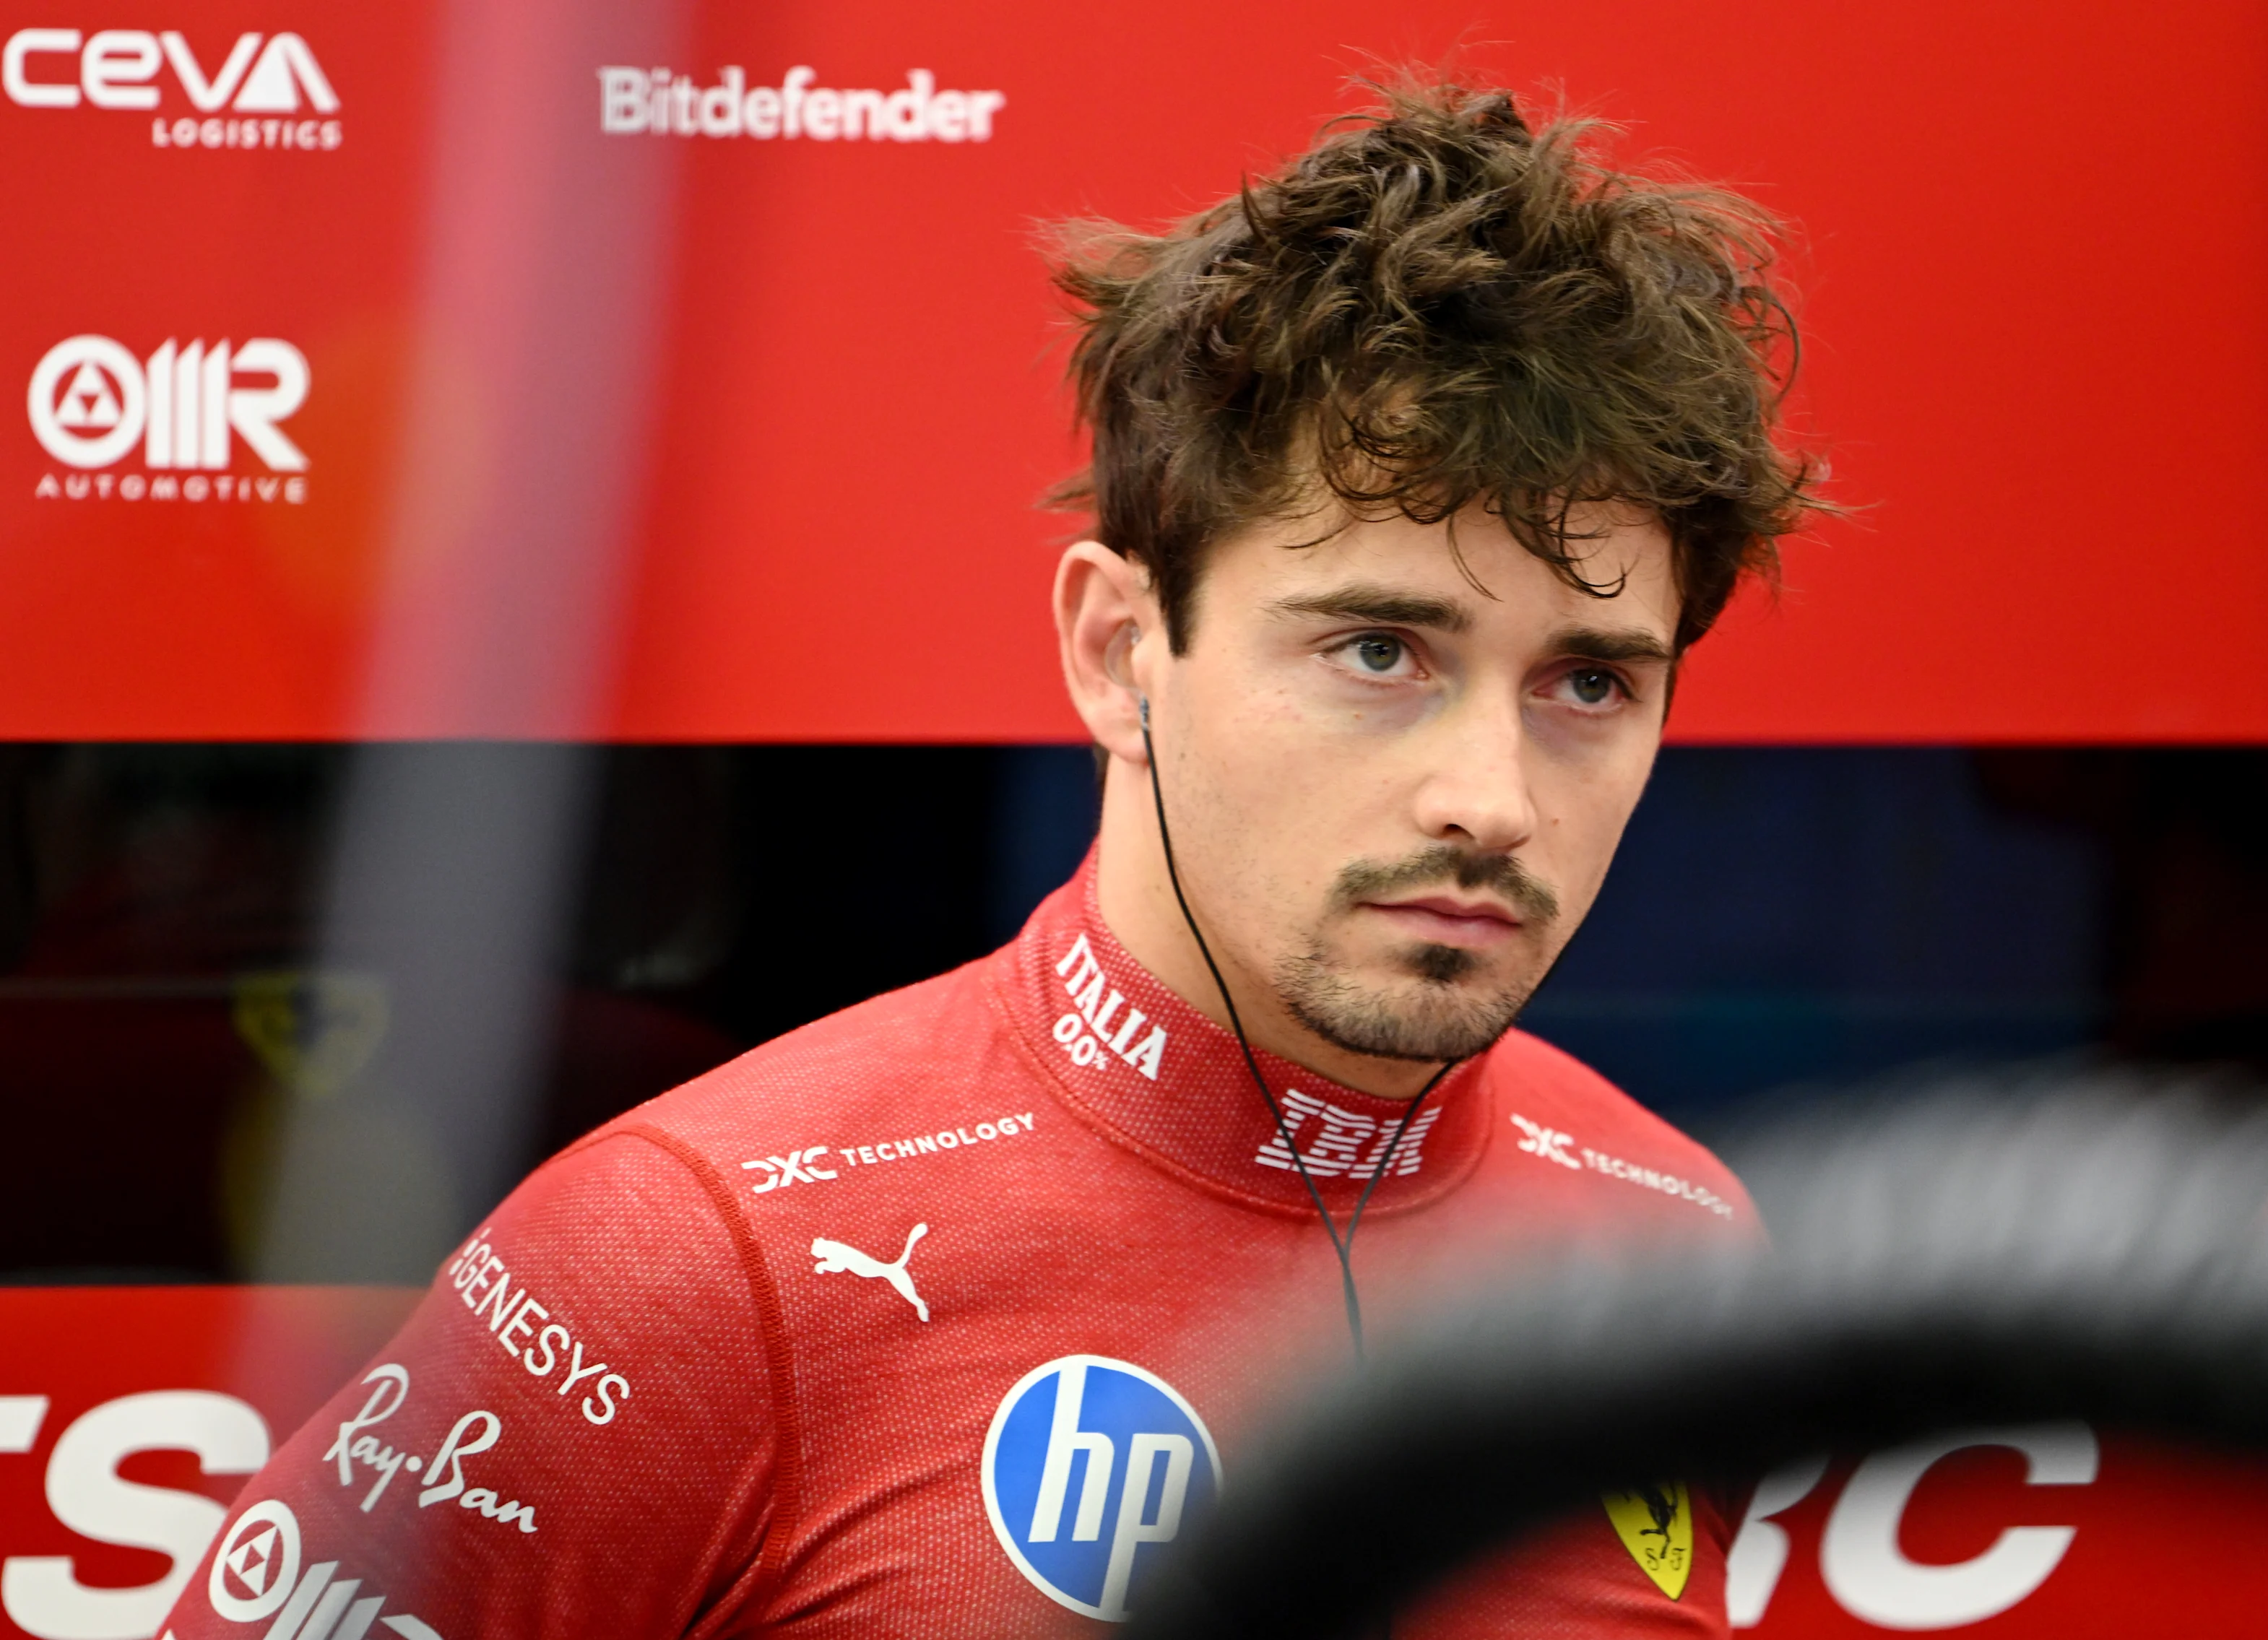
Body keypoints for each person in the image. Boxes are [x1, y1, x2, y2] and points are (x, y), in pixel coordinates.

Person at [166, 75, 1822, 1640]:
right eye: (1379, 650)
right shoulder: (684, 1261)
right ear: (1117, 651)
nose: (1493, 796)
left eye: (1589, 681)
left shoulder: (1680, 1242)